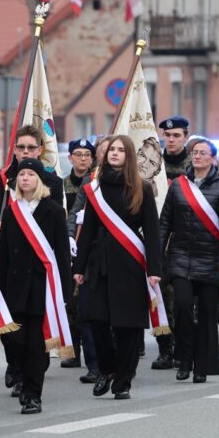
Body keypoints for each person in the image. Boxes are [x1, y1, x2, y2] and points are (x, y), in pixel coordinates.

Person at [74, 136, 162, 400]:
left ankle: (124, 379)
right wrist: (79, 266)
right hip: (100, 263)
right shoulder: (95, 189)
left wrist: (155, 269)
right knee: (97, 320)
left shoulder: (142, 188)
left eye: (120, 150)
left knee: (128, 326)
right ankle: (107, 369)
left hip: (131, 262)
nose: (114, 153)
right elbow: (87, 228)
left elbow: (153, 231)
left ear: (129, 156)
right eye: (111, 149)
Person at [0, 158, 71, 414]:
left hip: (42, 287)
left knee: (36, 345)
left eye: (30, 174)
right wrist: (1, 290)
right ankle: (21, 379)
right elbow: (3, 254)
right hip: (15, 287)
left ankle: (32, 394)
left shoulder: (54, 211)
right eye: (21, 175)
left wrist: (64, 291)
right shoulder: (11, 211)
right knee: (15, 341)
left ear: (39, 180)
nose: (24, 178)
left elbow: (61, 254)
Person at [159, 138, 219, 383]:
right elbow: (165, 223)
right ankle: (183, 359)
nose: (198, 156)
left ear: (213, 159)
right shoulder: (178, 186)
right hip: (181, 258)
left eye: (203, 153)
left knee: (206, 314)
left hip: (211, 260)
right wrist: (156, 256)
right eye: (195, 152)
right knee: (182, 308)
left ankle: (202, 365)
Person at [151, 116, 190, 369]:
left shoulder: (195, 163)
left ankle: (184, 346)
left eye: (176, 135)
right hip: (157, 237)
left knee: (183, 298)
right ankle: (165, 348)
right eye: (167, 136)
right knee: (160, 295)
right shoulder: (155, 165)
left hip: (186, 239)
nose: (171, 140)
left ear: (185, 136)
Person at [61, 138, 96, 372]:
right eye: (78, 154)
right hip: (67, 244)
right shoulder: (61, 186)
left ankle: (95, 351)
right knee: (69, 303)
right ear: (70, 157)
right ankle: (73, 352)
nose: (82, 158)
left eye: (87, 154)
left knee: (87, 303)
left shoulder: (96, 183)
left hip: (90, 246)